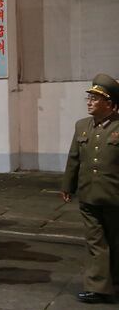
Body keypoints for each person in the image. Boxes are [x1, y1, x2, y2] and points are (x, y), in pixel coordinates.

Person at [61, 73, 119, 304]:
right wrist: (68, 185)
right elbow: (74, 158)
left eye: (96, 98)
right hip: (88, 195)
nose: (89, 101)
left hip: (114, 197)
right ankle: (98, 287)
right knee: (96, 242)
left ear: (110, 104)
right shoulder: (81, 125)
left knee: (114, 241)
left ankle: (112, 282)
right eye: (89, 97)